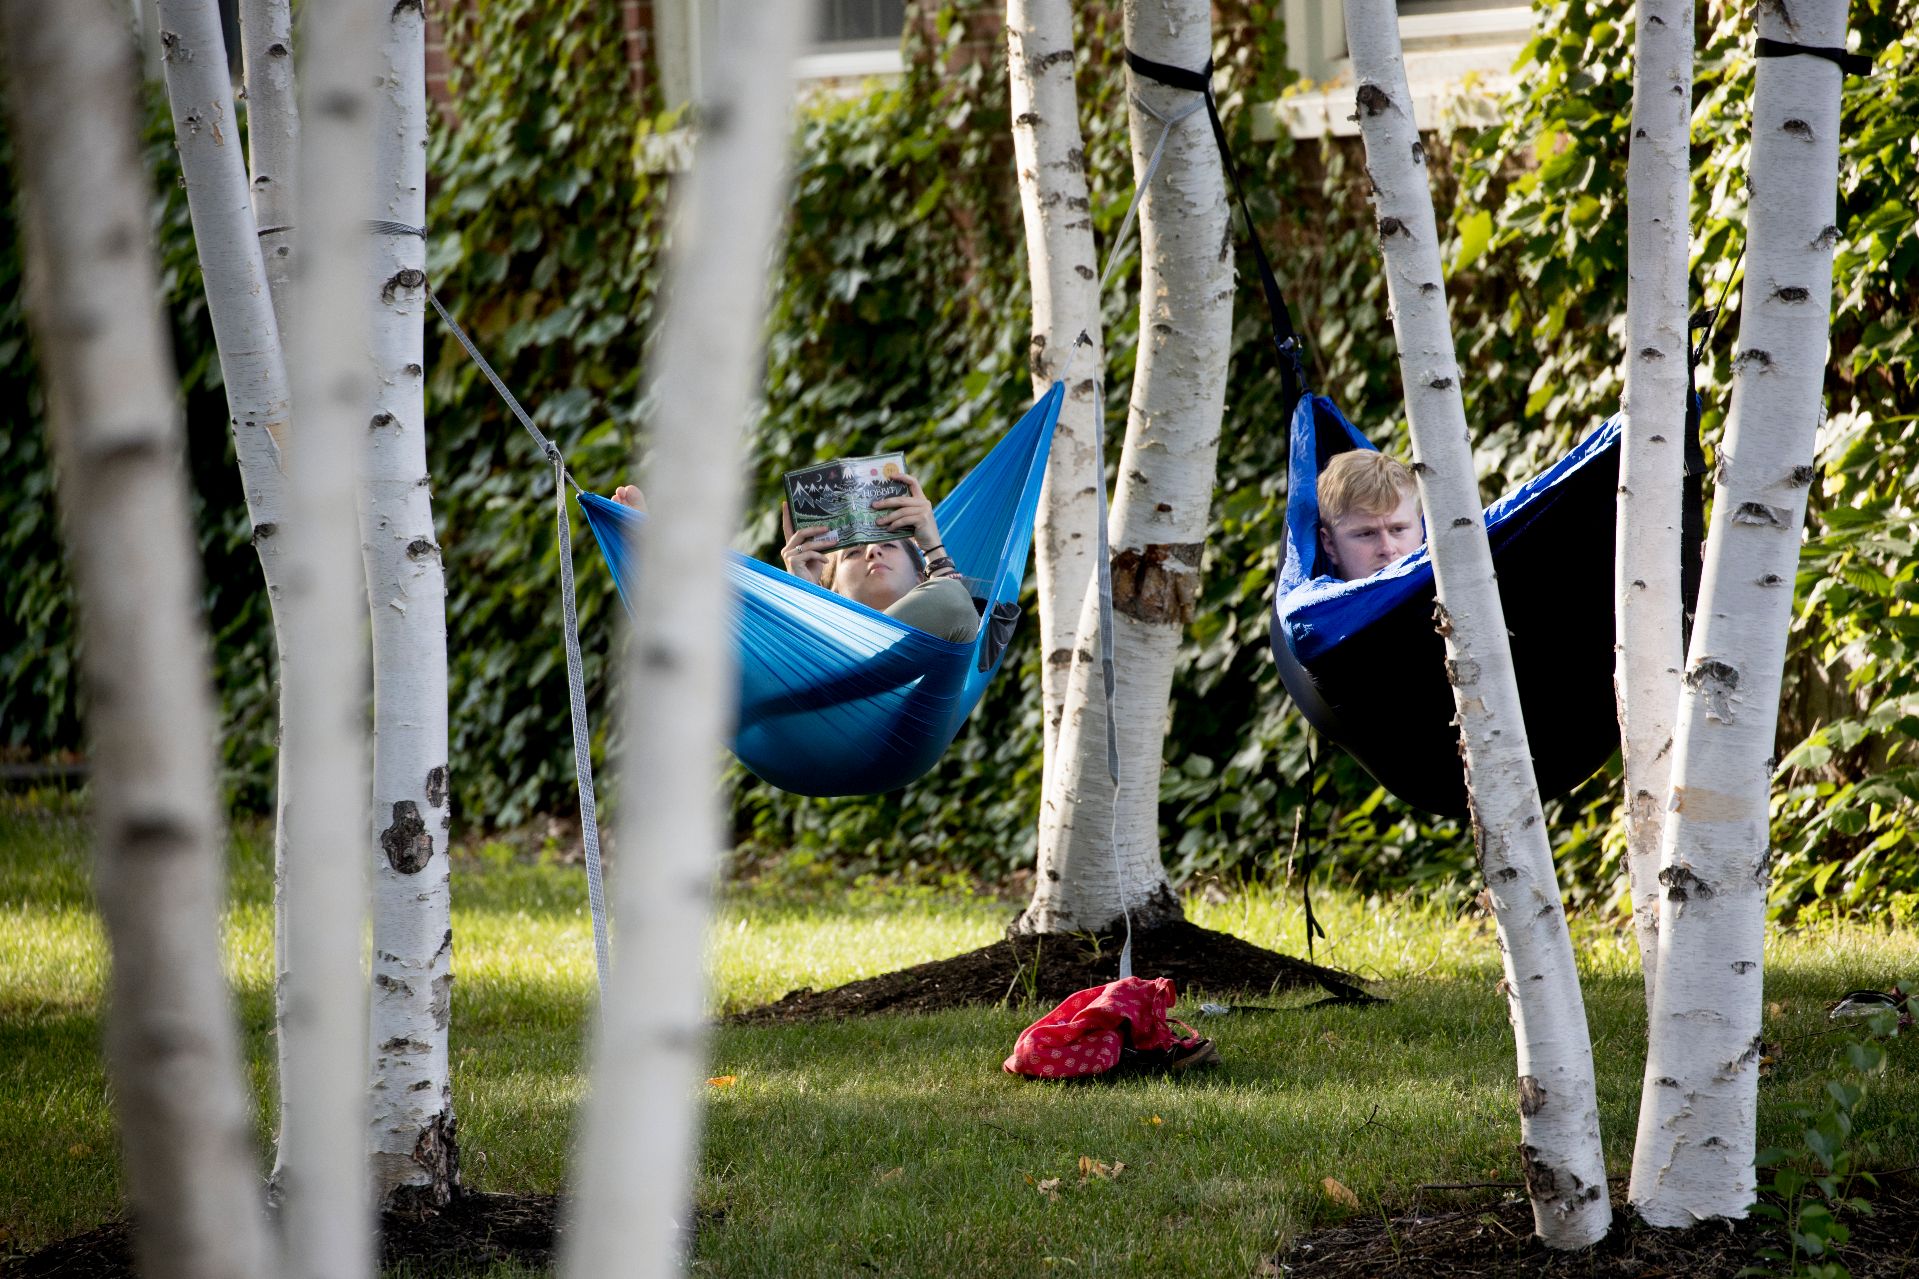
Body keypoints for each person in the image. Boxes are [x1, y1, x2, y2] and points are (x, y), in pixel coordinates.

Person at [610, 475, 980, 643]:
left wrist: (932, 547)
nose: (871, 550)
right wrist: (804, 592)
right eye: (852, 552)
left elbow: (951, 603)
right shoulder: (811, 636)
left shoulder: (945, 609)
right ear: (833, 588)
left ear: (921, 578)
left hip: (896, 728)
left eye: (891, 545)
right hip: (811, 707)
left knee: (951, 599)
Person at [1317, 450, 1424, 582]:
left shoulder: (1455, 589)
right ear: (1330, 544)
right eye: (1367, 533)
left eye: (1398, 529)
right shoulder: (1308, 600)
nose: (1387, 549)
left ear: (1421, 529)